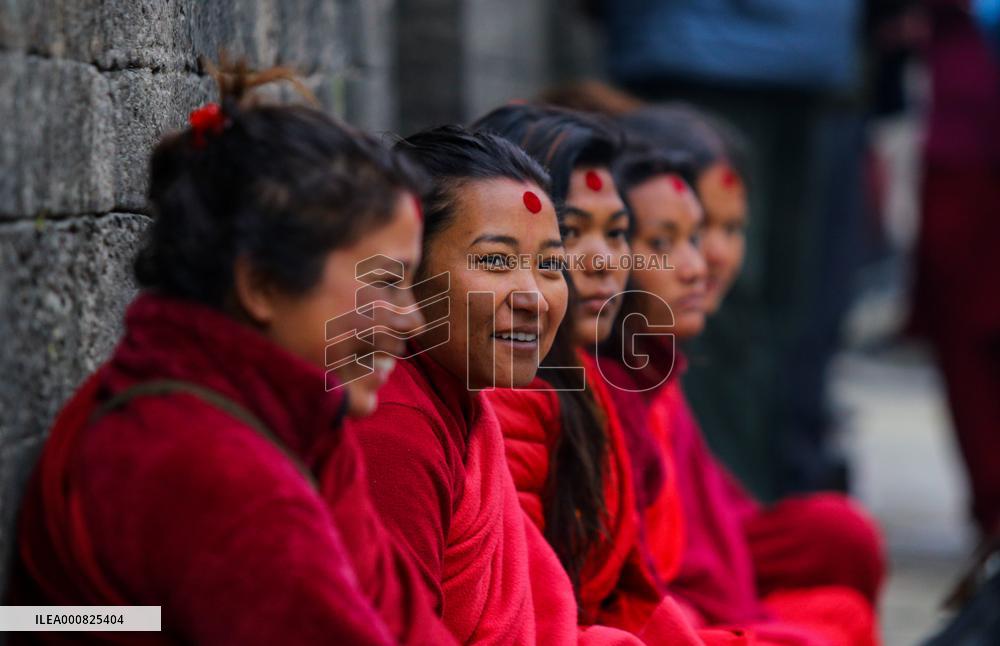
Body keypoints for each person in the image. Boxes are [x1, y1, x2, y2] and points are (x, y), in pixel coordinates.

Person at [5, 66, 455, 644]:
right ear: (261, 285)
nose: (414, 320)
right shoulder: (206, 470)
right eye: (386, 283)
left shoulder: (297, 422)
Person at [474, 105, 749, 646]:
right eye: (571, 233)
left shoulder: (598, 379)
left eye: (617, 233)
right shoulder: (507, 394)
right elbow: (524, 613)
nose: (602, 262)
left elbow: (641, 579)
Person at [610, 146, 883, 646]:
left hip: (689, 603)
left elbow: (716, 529)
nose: (704, 262)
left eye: (725, 231)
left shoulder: (653, 364)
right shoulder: (589, 382)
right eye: (662, 242)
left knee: (841, 543)